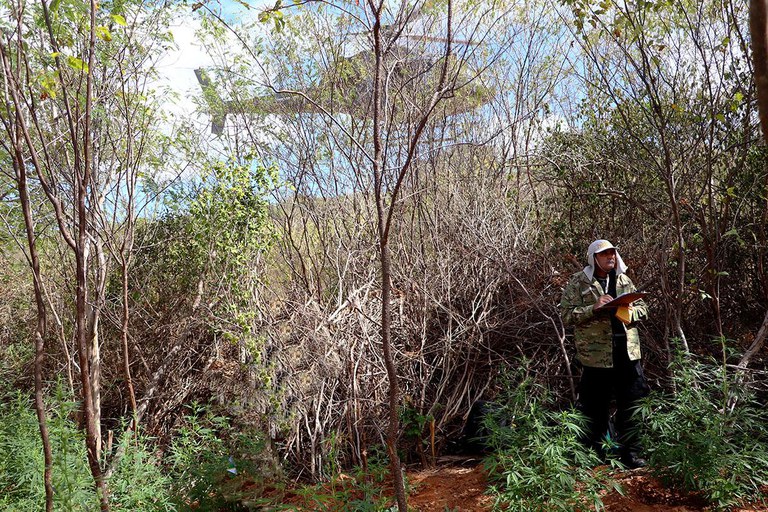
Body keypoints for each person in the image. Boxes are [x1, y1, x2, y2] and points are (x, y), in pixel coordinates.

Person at [559, 239, 650, 469]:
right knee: (595, 406)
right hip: (596, 356)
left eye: (613, 253)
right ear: (594, 258)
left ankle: (632, 454)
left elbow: (643, 308)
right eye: (605, 254)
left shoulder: (623, 280)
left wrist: (630, 312)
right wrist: (594, 308)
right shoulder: (580, 282)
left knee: (631, 403)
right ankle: (599, 454)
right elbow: (566, 315)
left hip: (627, 354)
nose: (610, 257)